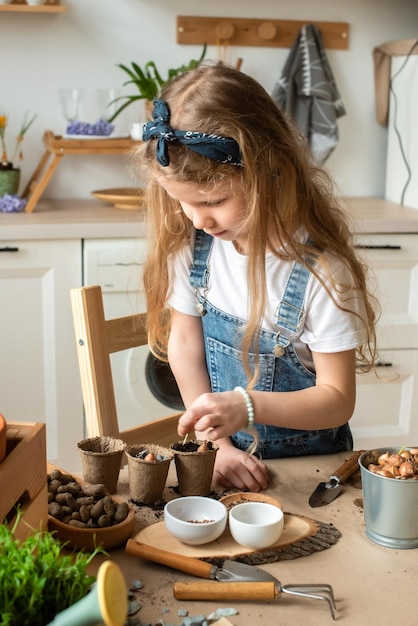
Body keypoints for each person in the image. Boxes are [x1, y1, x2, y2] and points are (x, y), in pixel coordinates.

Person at [135, 62, 378, 492]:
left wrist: (247, 406)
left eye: (214, 199)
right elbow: (186, 343)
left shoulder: (321, 274)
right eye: (182, 203)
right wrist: (218, 444)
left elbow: (338, 399)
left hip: (313, 477)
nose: (198, 219)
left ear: (268, 169)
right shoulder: (193, 246)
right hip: (224, 465)